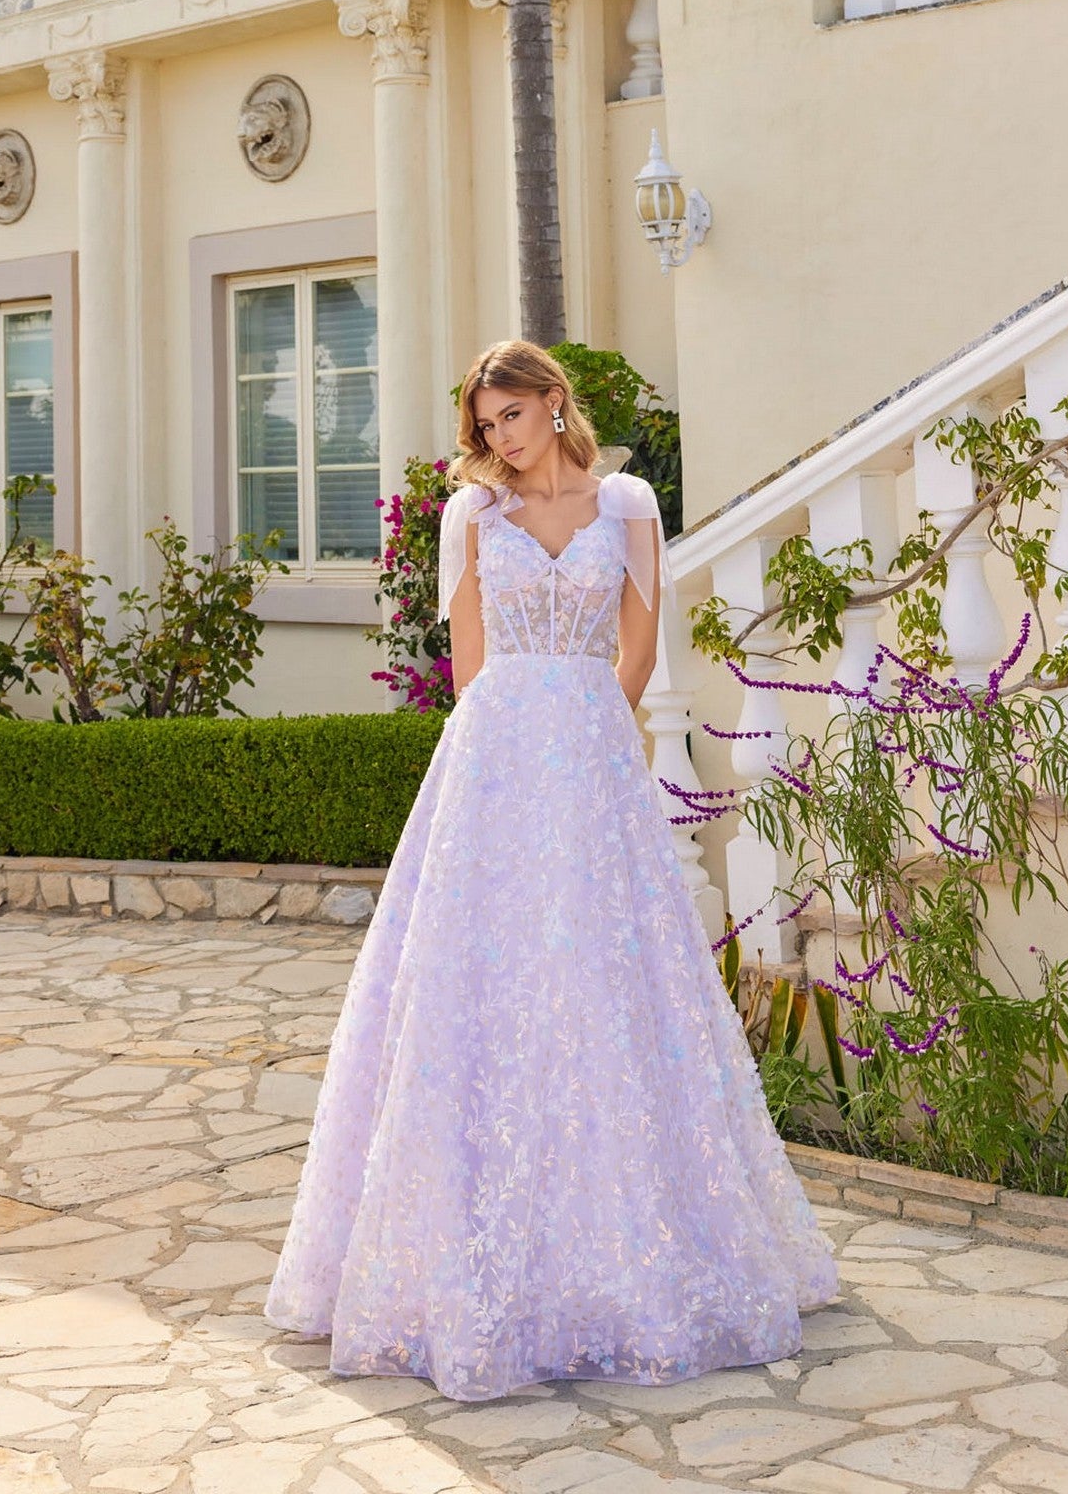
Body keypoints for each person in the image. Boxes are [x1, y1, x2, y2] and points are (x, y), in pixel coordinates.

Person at [264, 338, 838, 1401]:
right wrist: (515, 746)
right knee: (485, 976)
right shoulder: (473, 516)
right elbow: (471, 663)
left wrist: (598, 730)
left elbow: (640, 640)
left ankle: (630, 1252)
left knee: (608, 976)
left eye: (509, 417)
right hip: (496, 753)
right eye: (485, 424)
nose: (496, 437)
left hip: (591, 748)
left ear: (552, 403)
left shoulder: (628, 504)